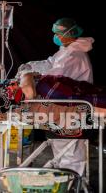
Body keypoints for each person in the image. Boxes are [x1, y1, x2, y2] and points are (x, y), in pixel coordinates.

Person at [17, 17, 93, 176]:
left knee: (70, 150)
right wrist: (32, 65)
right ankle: (63, 179)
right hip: (63, 106)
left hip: (72, 107)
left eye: (58, 33)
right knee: (60, 147)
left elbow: (55, 75)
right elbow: (51, 63)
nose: (56, 37)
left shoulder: (76, 55)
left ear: (69, 34)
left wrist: (29, 74)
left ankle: (74, 181)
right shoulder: (66, 50)